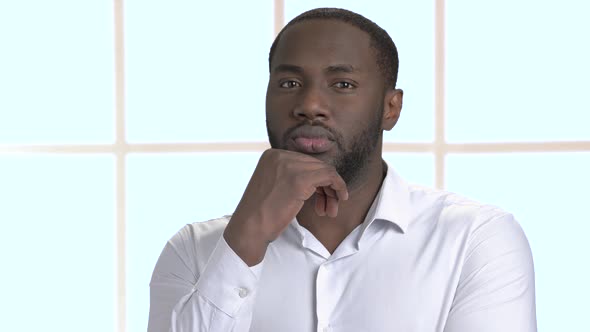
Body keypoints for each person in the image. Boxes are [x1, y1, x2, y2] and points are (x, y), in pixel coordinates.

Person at [148, 8, 537, 332]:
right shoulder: (193, 252)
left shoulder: (476, 241)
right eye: (289, 82)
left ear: (391, 108)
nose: (310, 104)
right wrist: (244, 241)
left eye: (343, 83)